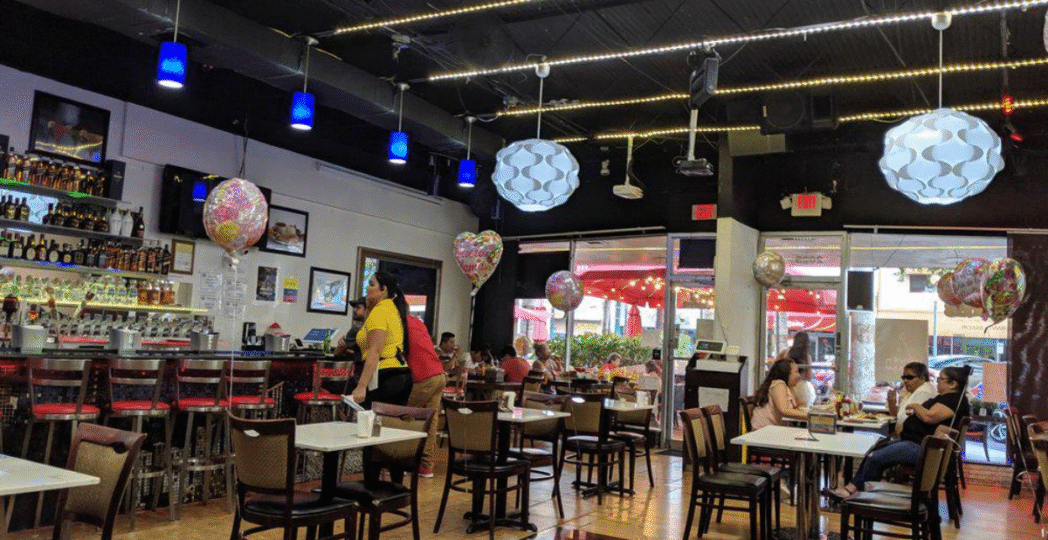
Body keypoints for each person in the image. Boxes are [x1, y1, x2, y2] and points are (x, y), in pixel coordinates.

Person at [826, 366, 970, 500]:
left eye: (941, 379)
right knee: (873, 450)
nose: (937, 381)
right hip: (915, 442)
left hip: (920, 447)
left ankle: (861, 496)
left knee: (875, 458)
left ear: (953, 384)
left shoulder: (953, 400)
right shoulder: (947, 398)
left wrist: (915, 406)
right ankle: (852, 489)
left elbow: (929, 417)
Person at [350, 272, 413, 408]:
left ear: (383, 289)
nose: (367, 288)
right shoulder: (391, 309)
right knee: (391, 421)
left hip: (386, 376)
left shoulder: (379, 312)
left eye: (371, 284)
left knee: (372, 420)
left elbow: (375, 350)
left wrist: (361, 386)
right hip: (400, 374)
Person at [403, 315, 447, 478]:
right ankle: (426, 466)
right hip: (439, 374)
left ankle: (401, 462)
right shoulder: (416, 321)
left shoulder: (397, 322)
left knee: (404, 416)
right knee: (430, 421)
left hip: (423, 376)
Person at [751, 358, 808, 430]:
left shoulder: (788, 387)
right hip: (764, 430)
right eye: (796, 372)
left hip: (774, 429)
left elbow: (800, 404)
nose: (799, 376)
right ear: (786, 373)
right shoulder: (778, 384)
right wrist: (809, 416)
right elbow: (784, 410)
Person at [887, 362, 937, 437]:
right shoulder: (913, 392)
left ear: (922, 378)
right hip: (905, 435)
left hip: (912, 438)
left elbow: (910, 421)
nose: (905, 381)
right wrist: (891, 401)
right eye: (904, 377)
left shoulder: (924, 392)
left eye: (909, 377)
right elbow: (897, 416)